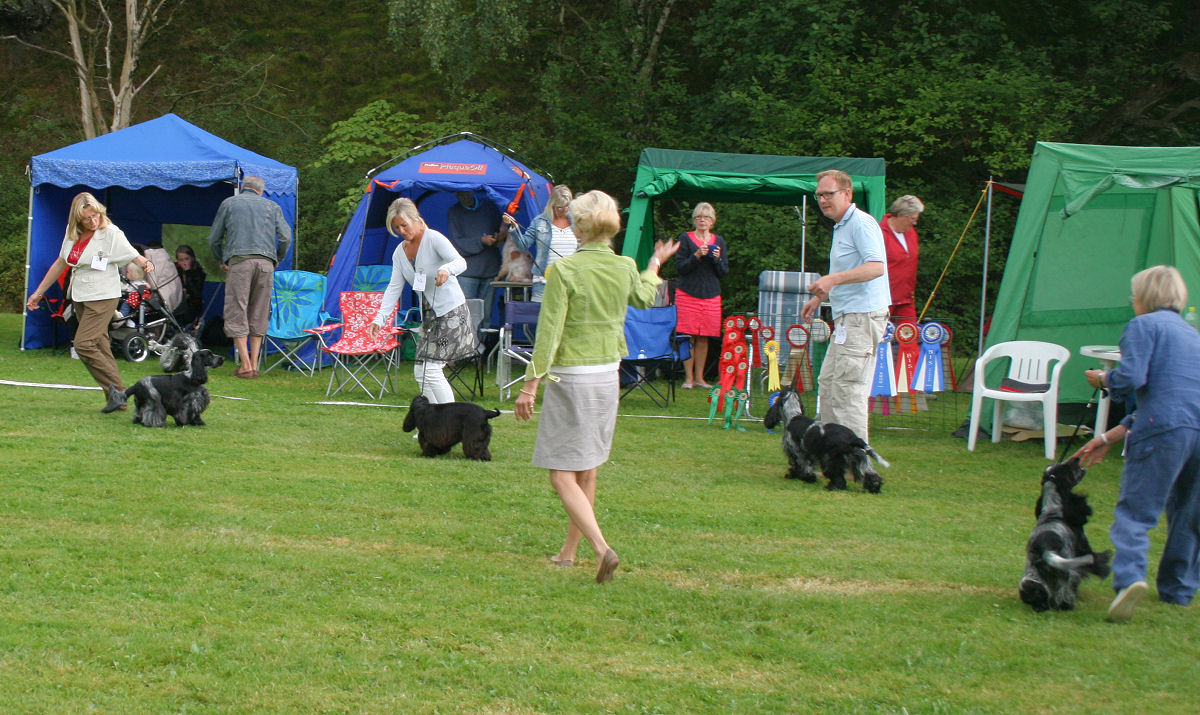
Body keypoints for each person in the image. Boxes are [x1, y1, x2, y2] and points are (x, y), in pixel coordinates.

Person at [514, 190, 679, 583]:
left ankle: (603, 549)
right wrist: (655, 261)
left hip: (573, 378)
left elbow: (549, 331)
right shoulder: (624, 266)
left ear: (576, 225)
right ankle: (568, 554)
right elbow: (644, 294)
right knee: (586, 469)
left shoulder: (565, 271)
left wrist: (529, 385)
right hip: (608, 376)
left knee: (560, 475)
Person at [1071, 265, 1200, 622]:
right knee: (1190, 514)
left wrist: (1103, 378)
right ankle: (1179, 590)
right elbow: (1174, 398)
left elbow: (1131, 379)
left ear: (1144, 298)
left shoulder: (1143, 326)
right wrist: (1107, 437)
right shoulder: (1193, 335)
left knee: (1136, 512)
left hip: (1162, 430)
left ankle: (1129, 579)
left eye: (1133, 296)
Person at [26, 192, 154, 413]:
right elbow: (61, 262)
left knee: (84, 344)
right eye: (87, 218)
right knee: (101, 346)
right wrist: (38, 292)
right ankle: (117, 398)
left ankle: (118, 392)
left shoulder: (111, 232)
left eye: (95, 216)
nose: (93, 221)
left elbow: (131, 253)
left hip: (104, 295)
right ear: (77, 219)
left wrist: (145, 263)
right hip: (80, 295)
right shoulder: (71, 232)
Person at [800, 169, 890, 442]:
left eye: (829, 194)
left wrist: (832, 279)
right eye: (819, 196)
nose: (823, 200)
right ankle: (832, 454)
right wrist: (821, 297)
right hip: (845, 319)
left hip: (861, 318)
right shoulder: (842, 226)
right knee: (828, 384)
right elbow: (852, 271)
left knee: (848, 389)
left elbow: (876, 267)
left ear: (847, 194)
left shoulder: (861, 223)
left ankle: (857, 462)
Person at [368, 198, 476, 404]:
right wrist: (380, 319)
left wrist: (446, 269)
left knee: (432, 369)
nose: (401, 230)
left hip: (451, 312)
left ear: (416, 220)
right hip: (429, 318)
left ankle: (449, 422)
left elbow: (460, 262)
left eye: (404, 225)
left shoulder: (433, 238)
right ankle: (431, 426)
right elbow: (394, 288)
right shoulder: (399, 253)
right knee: (421, 371)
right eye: (396, 227)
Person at [207, 176, 292, 379]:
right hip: (265, 263)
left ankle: (245, 364)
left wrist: (222, 258)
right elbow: (286, 237)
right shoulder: (272, 206)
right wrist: (276, 258)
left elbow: (214, 238)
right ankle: (254, 363)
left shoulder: (229, 204)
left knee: (237, 308)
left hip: (240, 261)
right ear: (261, 191)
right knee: (259, 311)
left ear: (244, 188)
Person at [673, 202, 729, 389]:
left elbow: (723, 272)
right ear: (694, 220)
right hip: (688, 293)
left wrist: (717, 259)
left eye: (706, 217)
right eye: (699, 217)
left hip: (711, 294)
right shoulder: (685, 238)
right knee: (687, 336)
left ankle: (700, 378)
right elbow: (680, 267)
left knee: (704, 337)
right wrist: (696, 255)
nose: (702, 220)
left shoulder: (718, 241)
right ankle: (688, 378)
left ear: (712, 221)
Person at [502, 184, 577, 302]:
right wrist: (514, 228)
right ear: (552, 204)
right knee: (540, 317)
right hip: (543, 281)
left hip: (571, 281)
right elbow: (523, 245)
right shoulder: (539, 221)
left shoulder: (576, 222)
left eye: (567, 206)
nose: (564, 210)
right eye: (560, 207)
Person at [446, 190, 507, 303]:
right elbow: (457, 243)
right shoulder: (454, 212)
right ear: (456, 195)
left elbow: (501, 230)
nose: (465, 196)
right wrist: (481, 241)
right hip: (467, 273)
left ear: (473, 191)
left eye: (467, 192)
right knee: (468, 315)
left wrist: (501, 234)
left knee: (486, 317)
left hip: (491, 270)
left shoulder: (490, 206)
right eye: (461, 194)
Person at [879, 195, 924, 323]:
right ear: (901, 215)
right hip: (884, 300)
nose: (915, 223)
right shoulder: (879, 234)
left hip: (906, 299)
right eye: (913, 219)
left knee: (910, 340)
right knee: (880, 340)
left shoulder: (911, 233)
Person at [174, 244, 207, 328]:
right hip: (178, 304)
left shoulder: (198, 273)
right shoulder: (176, 272)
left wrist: (188, 273)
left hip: (192, 307)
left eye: (186, 259)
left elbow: (196, 293)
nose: (184, 263)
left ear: (192, 258)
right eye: (181, 260)